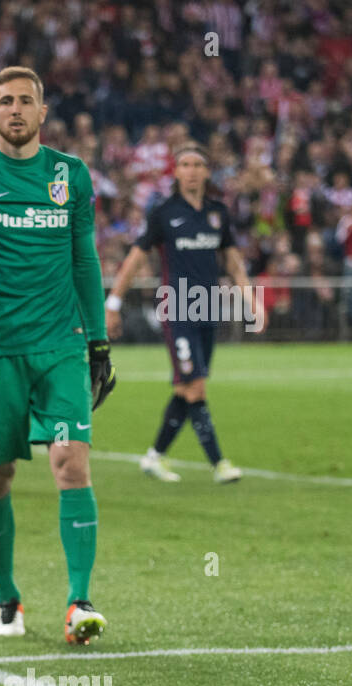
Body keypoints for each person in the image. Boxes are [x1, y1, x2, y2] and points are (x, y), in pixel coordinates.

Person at [0, 67, 114, 644]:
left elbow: (85, 261)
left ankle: (78, 602)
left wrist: (97, 338)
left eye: (26, 101)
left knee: (72, 461)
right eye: (4, 101)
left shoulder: (72, 176)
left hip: (60, 345)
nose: (15, 109)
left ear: (43, 113)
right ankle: (7, 599)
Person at [106, 143, 250, 484]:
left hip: (209, 308)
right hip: (179, 309)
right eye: (185, 164)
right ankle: (219, 464)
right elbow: (136, 258)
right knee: (196, 387)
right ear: (176, 171)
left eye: (198, 164)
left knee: (187, 389)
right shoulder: (164, 213)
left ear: (206, 171)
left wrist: (251, 299)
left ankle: (154, 456)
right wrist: (113, 302)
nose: (191, 170)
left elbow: (232, 260)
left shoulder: (217, 213)